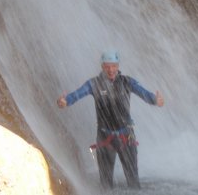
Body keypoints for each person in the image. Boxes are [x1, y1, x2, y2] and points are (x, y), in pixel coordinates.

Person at [57, 51, 164, 189]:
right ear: (102, 66)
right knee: (106, 184)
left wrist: (156, 100)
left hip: (126, 136)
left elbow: (144, 93)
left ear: (118, 66)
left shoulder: (127, 82)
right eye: (107, 66)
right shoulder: (94, 84)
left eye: (113, 66)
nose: (111, 70)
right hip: (104, 138)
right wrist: (65, 101)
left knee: (133, 183)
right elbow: (77, 94)